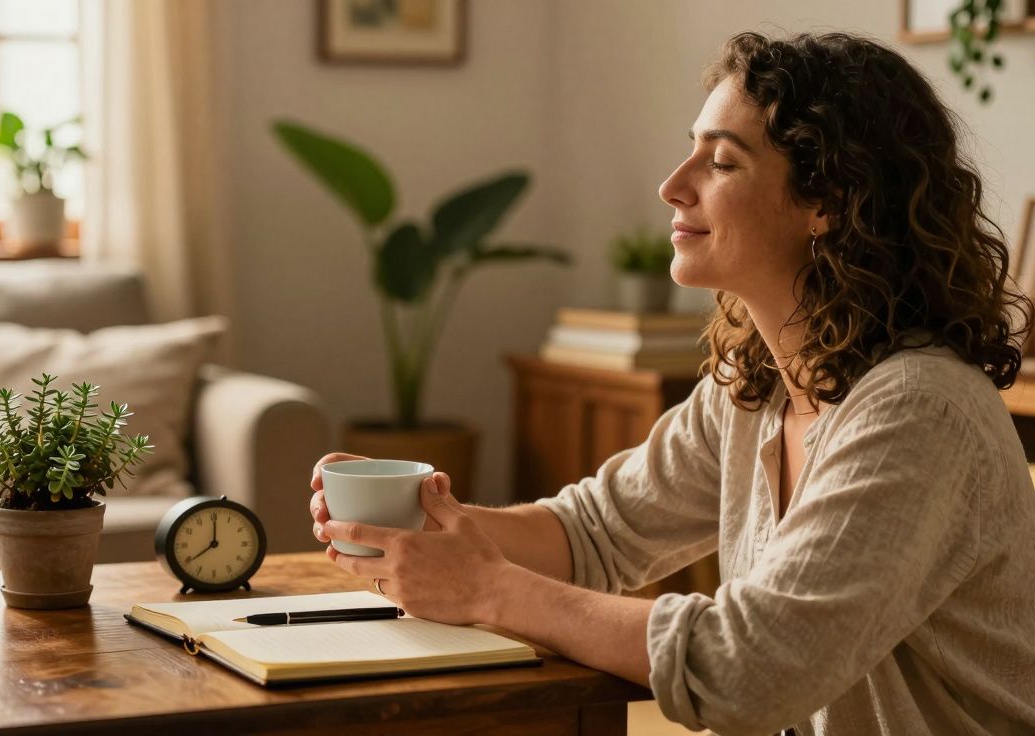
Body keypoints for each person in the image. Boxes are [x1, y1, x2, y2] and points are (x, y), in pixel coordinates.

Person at [306, 31, 1035, 735]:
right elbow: (595, 533)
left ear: (829, 201)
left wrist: (489, 589)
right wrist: (417, 518)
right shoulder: (753, 388)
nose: (672, 186)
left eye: (721, 162)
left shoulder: (918, 410)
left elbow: (748, 669)